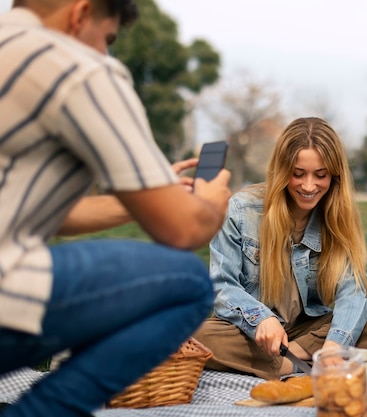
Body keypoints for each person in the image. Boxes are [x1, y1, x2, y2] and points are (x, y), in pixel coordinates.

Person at [0, 1, 232, 416]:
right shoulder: (77, 66)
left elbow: (57, 214)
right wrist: (209, 204)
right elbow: (183, 231)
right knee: (188, 283)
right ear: (80, 13)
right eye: (107, 39)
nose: (106, 53)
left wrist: (142, 199)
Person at [193, 117, 367, 379]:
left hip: (310, 332)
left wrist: (334, 344)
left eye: (321, 174)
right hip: (254, 332)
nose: (308, 186)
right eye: (298, 173)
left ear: (334, 174)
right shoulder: (240, 210)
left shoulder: (338, 219)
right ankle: (295, 365)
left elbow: (353, 294)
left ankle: (294, 360)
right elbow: (222, 286)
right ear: (282, 170)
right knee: (195, 335)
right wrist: (261, 318)